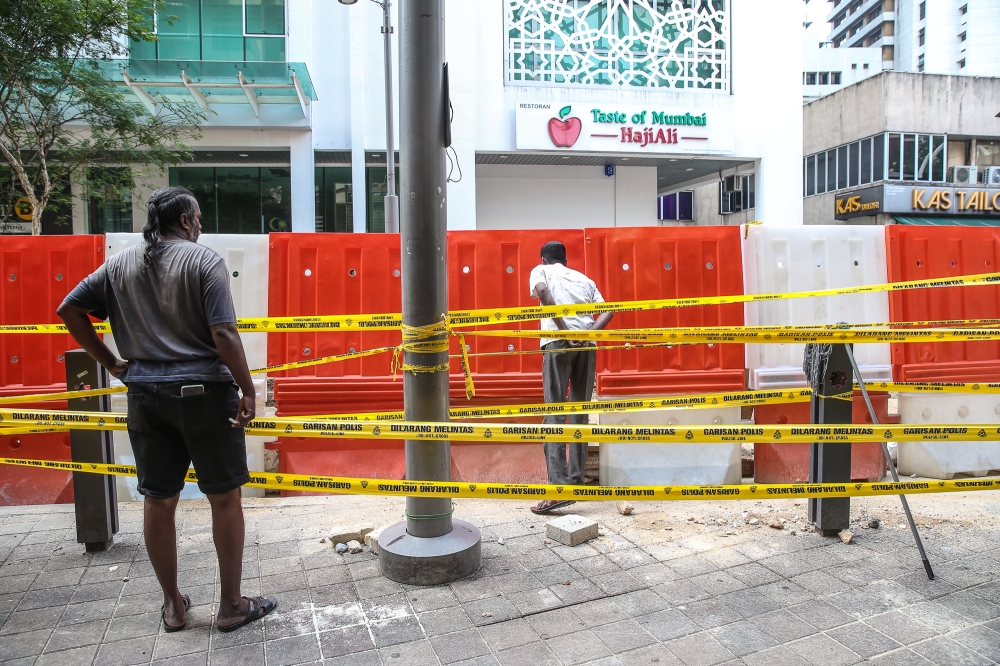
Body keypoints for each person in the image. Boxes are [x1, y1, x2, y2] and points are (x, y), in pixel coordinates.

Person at [57, 187, 277, 633]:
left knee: (158, 500)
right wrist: (247, 389)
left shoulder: (118, 264)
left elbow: (70, 309)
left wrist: (114, 364)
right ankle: (232, 605)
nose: (200, 225)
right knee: (224, 498)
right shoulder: (204, 261)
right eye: (196, 218)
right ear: (183, 221)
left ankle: (174, 607)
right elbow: (225, 334)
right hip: (204, 395)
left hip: (144, 396)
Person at [527, 241, 613, 515]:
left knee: (554, 414)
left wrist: (564, 330)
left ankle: (558, 490)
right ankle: (575, 482)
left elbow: (542, 293)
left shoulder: (540, 271)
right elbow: (609, 310)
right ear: (565, 259)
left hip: (557, 344)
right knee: (580, 413)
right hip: (586, 347)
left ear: (543, 259)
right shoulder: (584, 279)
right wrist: (587, 336)